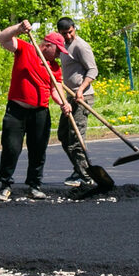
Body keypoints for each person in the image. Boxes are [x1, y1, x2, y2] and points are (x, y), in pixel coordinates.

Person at [0, 20, 72, 202]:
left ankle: (34, 186)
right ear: (48, 46)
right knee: (11, 148)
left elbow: (56, 88)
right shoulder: (25, 49)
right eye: (58, 50)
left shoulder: (54, 68)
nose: (59, 55)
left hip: (40, 113)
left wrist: (63, 103)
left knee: (38, 150)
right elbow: (2, 38)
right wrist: (18, 29)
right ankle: (5, 186)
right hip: (16, 111)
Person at [55, 16, 99, 188]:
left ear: (74, 29)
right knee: (63, 135)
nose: (67, 36)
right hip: (70, 98)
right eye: (64, 33)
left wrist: (81, 89)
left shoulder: (81, 46)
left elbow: (93, 70)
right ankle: (78, 168)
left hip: (83, 98)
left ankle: (86, 176)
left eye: (70, 32)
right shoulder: (64, 46)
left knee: (76, 139)